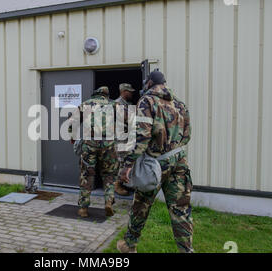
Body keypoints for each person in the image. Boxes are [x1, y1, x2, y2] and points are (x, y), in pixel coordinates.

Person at [116, 70, 194, 253]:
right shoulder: (180, 105)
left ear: (149, 83)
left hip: (155, 164)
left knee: (141, 205)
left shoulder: (147, 101)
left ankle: (129, 245)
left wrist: (128, 166)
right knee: (181, 209)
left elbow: (141, 137)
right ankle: (187, 250)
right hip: (179, 161)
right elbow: (187, 136)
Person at [69, 86, 119, 218]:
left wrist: (73, 137)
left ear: (95, 94)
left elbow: (72, 122)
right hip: (108, 142)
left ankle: (83, 209)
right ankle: (108, 201)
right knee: (109, 173)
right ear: (106, 95)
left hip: (90, 142)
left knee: (87, 174)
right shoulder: (114, 105)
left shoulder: (85, 104)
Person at [114, 83, 136, 196]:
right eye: (130, 91)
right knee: (122, 162)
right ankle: (117, 185)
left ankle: (124, 183)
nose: (132, 93)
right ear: (123, 91)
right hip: (121, 139)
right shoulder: (118, 104)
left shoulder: (128, 104)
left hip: (128, 138)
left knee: (128, 161)